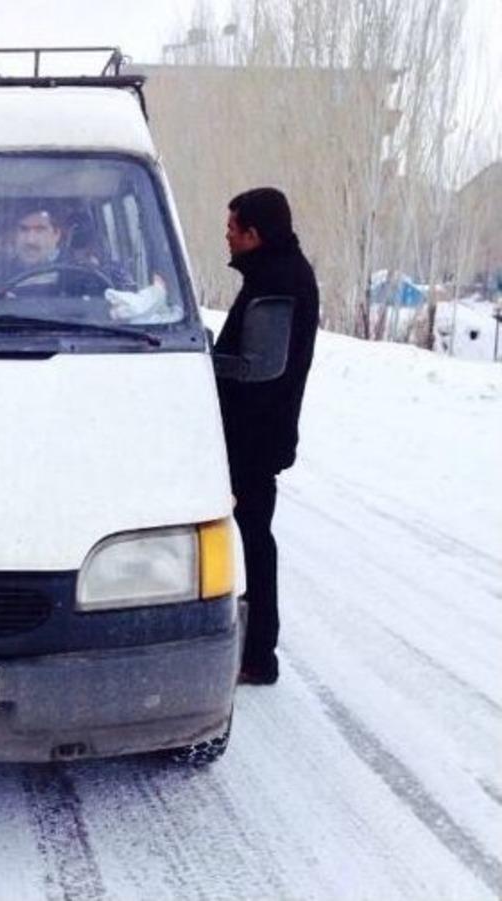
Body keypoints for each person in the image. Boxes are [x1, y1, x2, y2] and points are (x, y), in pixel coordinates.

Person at [215, 187, 319, 686]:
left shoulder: (278, 284)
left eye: (233, 229)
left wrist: (201, 362)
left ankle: (258, 655)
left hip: (253, 439)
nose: (227, 237)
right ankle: (254, 650)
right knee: (252, 537)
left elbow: (260, 367)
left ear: (254, 235)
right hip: (253, 434)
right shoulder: (273, 274)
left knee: (253, 540)